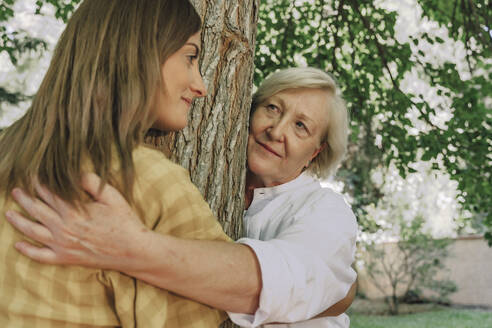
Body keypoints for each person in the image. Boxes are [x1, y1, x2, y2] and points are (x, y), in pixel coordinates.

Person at [7, 67, 358, 327]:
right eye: (272, 108)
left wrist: (129, 249)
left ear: (315, 152)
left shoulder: (324, 211)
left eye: (301, 126)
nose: (276, 130)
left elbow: (283, 284)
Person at [0, 0, 233, 326]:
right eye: (190, 57)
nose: (201, 87)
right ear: (140, 54)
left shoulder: (6, 151)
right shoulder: (150, 180)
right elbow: (233, 297)